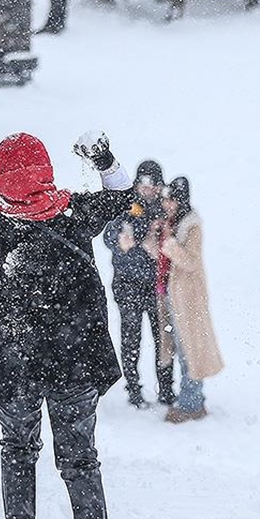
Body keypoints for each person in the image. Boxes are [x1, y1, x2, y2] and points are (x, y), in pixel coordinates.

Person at [0, 131, 134, 519]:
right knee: (80, 456)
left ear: (0, 176)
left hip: (16, 364)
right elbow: (123, 194)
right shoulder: (73, 213)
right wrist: (104, 160)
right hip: (77, 360)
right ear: (46, 171)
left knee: (17, 446)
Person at [102, 160, 175, 409]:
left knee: (163, 340)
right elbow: (110, 235)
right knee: (131, 340)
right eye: (144, 182)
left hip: (157, 287)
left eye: (154, 183)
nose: (149, 189)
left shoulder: (164, 207)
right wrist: (128, 241)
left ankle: (166, 388)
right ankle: (133, 389)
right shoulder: (126, 203)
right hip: (128, 285)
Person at [151, 177, 224, 424]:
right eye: (166, 200)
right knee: (179, 348)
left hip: (188, 297)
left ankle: (191, 402)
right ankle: (191, 399)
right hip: (171, 294)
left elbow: (191, 261)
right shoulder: (170, 222)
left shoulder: (192, 226)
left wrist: (169, 243)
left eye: (171, 200)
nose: (167, 205)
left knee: (190, 350)